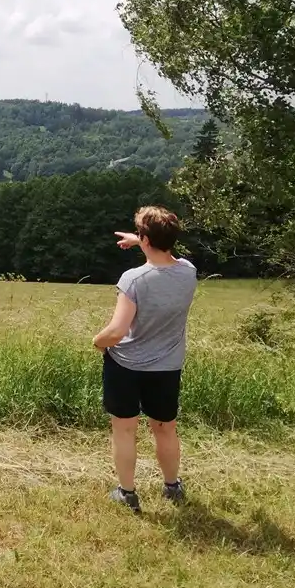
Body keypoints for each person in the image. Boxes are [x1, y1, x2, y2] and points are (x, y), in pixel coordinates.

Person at [91, 206, 197, 514]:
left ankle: (127, 493)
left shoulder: (134, 280)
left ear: (147, 239)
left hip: (126, 366)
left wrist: (98, 343)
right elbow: (164, 258)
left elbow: (117, 331)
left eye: (140, 234)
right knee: (165, 428)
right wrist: (141, 241)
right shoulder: (188, 272)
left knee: (125, 430)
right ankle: (172, 486)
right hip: (167, 368)